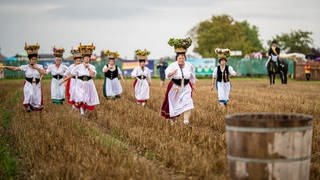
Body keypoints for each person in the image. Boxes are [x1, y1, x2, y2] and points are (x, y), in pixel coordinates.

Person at [161, 37, 195, 125]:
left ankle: (186, 121)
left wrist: (193, 85)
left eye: (183, 58)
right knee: (174, 104)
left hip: (186, 86)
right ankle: (173, 121)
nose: (181, 59)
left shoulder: (189, 65)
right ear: (177, 58)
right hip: (175, 87)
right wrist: (172, 73)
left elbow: (192, 76)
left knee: (188, 103)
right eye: (179, 58)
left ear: (185, 58)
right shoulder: (172, 65)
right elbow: (167, 74)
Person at [2, 43, 46, 112]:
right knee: (30, 95)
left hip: (37, 85)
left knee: (36, 100)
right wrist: (5, 67)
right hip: (28, 85)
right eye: (33, 59)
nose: (34, 60)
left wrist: (37, 68)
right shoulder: (25, 67)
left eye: (35, 59)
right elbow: (14, 68)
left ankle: (33, 108)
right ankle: (28, 107)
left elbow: (44, 73)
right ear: (29, 60)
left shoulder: (39, 66)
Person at [71, 43, 100, 116]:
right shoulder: (79, 66)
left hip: (89, 83)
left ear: (89, 58)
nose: (86, 59)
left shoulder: (92, 66)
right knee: (81, 98)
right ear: (83, 59)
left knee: (87, 99)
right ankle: (81, 111)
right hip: (80, 83)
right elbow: (72, 72)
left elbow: (93, 75)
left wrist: (89, 68)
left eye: (88, 58)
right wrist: (76, 75)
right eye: (85, 58)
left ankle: (83, 110)